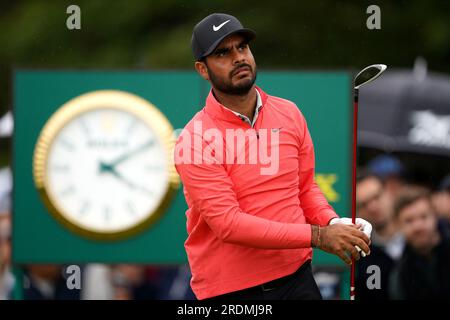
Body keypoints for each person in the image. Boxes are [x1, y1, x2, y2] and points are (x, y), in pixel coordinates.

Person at [174, 13, 372, 300]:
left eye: (242, 47)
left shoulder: (289, 112)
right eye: (222, 53)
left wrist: (331, 223)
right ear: (202, 70)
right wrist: (318, 236)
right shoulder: (194, 139)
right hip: (232, 291)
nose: (238, 58)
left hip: (297, 279)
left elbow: (304, 188)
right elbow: (228, 224)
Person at [389, 188, 450, 299]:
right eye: (409, 220)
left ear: (435, 216)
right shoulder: (400, 275)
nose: (418, 226)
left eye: (423, 217)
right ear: (398, 226)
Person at [354, 169, 404, 300]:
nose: (373, 207)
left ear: (389, 192)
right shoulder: (362, 254)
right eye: (364, 204)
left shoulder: (418, 235)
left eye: (376, 197)